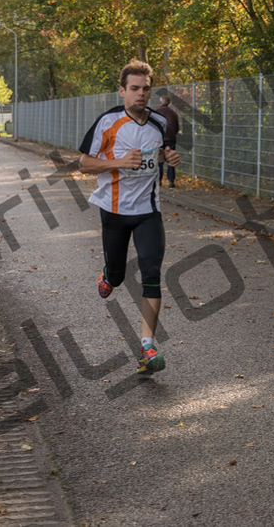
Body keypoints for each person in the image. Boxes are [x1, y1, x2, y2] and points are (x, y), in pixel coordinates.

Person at [79, 60, 180, 375]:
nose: (140, 94)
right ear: (122, 91)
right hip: (114, 210)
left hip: (149, 211)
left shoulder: (159, 123)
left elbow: (158, 154)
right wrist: (119, 162)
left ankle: (147, 346)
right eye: (134, 88)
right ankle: (108, 275)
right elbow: (83, 163)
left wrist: (168, 157)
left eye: (145, 88)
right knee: (119, 278)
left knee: (151, 272)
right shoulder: (108, 122)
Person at [153, 95, 180, 187]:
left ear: (161, 102)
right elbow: (177, 127)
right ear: (168, 103)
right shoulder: (173, 113)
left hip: (159, 139)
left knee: (159, 160)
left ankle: (159, 181)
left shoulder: (156, 112)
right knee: (171, 160)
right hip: (171, 138)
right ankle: (171, 181)